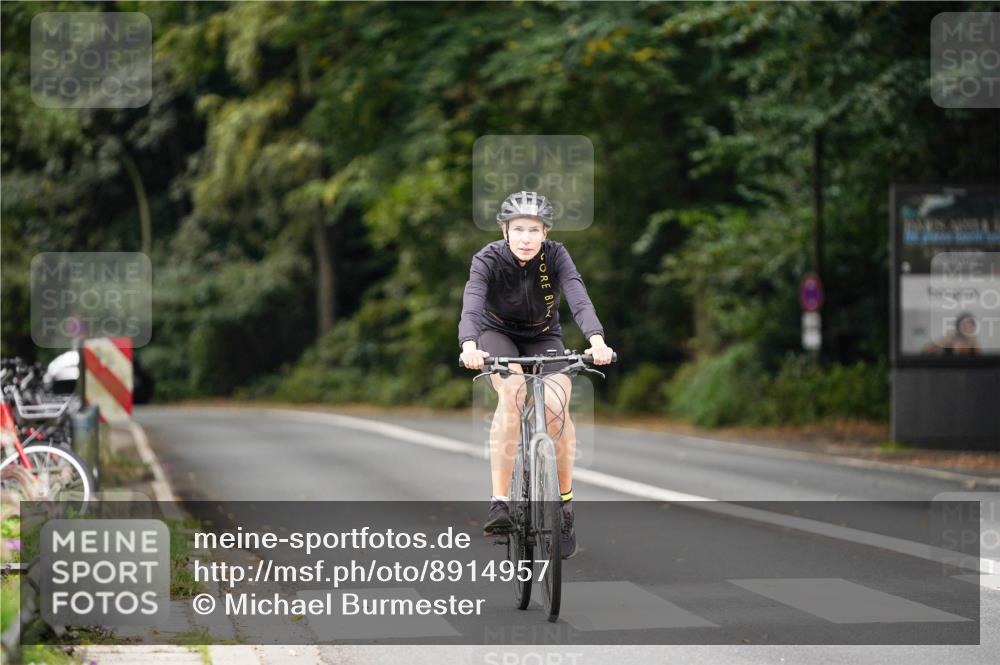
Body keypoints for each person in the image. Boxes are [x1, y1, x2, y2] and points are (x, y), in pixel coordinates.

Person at [458, 191, 613, 559]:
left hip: (545, 337)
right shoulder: (489, 259)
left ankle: (564, 507)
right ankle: (500, 503)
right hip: (496, 335)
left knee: (558, 408)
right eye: (518, 229)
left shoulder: (556, 256)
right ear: (505, 231)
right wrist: (468, 345)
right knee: (512, 396)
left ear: (545, 233)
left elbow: (578, 296)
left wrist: (597, 339)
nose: (526, 238)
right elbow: (472, 300)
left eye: (534, 230)